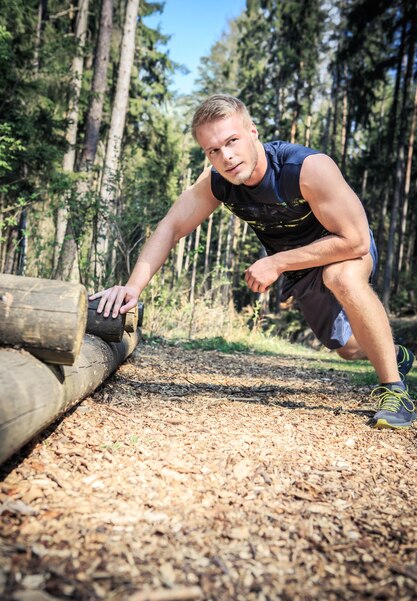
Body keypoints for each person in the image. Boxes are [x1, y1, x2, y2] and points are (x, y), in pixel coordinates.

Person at [91, 94, 415, 429]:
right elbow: (171, 228)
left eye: (232, 141)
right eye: (213, 150)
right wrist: (133, 287)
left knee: (341, 278)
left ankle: (395, 391)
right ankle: (396, 355)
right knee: (347, 348)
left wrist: (276, 263)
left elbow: (356, 239)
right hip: (298, 269)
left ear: (253, 132)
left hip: (342, 249)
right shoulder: (216, 181)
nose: (226, 157)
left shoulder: (305, 168)